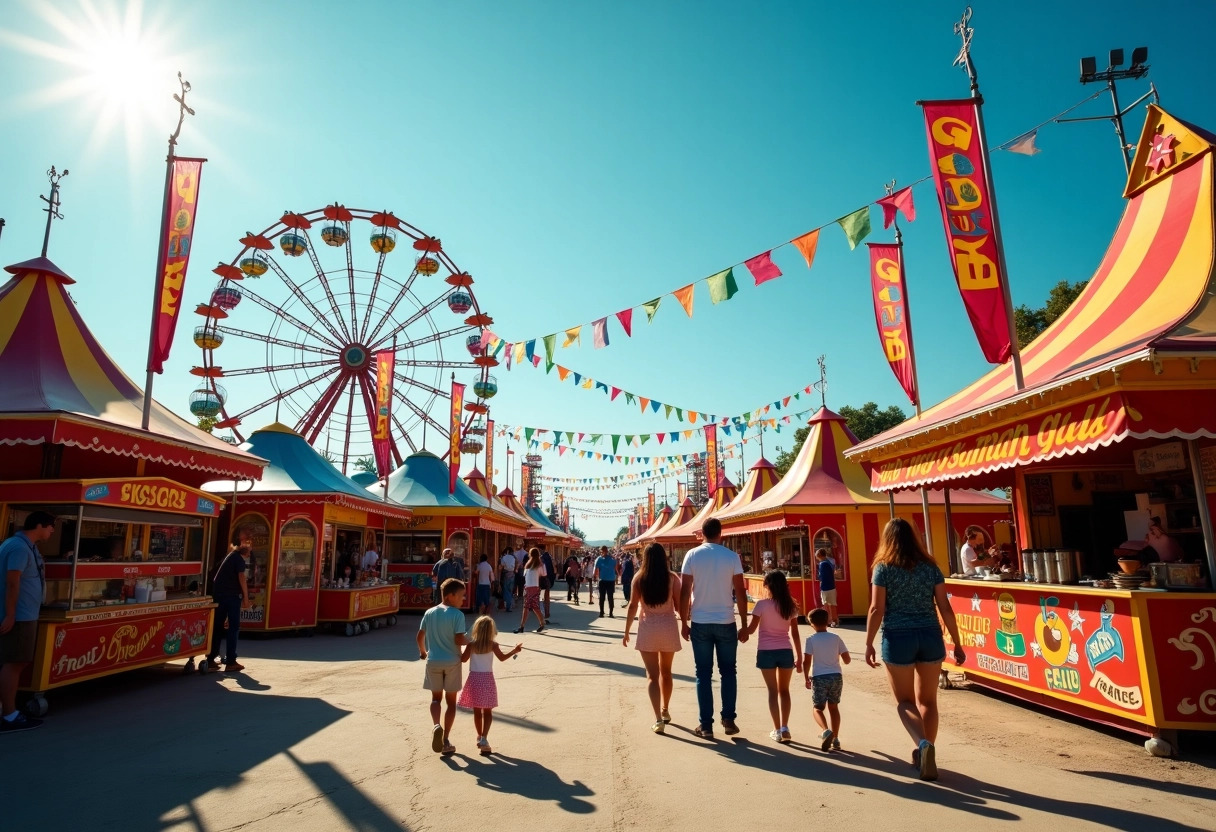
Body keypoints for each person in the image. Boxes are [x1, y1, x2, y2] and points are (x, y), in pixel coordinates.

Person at [864, 517, 967, 781]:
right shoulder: (930, 566)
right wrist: (957, 641)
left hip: (898, 638)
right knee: (929, 701)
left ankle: (922, 746)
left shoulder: (883, 568)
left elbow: (877, 608)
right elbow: (945, 606)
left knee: (905, 702)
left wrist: (868, 643)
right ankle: (927, 749)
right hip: (930, 636)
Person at [680, 517, 748, 739]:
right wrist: (745, 624)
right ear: (721, 533)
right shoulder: (731, 557)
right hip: (726, 621)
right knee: (729, 671)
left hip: (700, 621)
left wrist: (684, 621)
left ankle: (706, 725)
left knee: (703, 673)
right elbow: (740, 590)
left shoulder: (692, 555)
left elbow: (684, 591)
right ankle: (728, 719)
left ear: (702, 534)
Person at [1, 511, 55, 733]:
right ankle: (10, 714)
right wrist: (11, 614)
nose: (52, 531)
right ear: (39, 525)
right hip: (19, 615)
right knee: (14, 662)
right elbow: (12, 582)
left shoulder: (26, 546)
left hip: (25, 613)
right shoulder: (19, 547)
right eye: (50, 526)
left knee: (16, 661)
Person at [622, 542, 683, 734]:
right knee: (667, 672)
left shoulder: (639, 579)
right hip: (668, 627)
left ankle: (658, 719)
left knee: (652, 676)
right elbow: (680, 605)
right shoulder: (672, 578)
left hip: (647, 628)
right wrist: (687, 624)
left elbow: (633, 606)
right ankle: (665, 710)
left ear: (645, 558)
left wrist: (626, 631)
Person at [743, 569, 802, 743]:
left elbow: (751, 630)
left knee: (772, 691)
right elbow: (796, 634)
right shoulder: (790, 606)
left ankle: (776, 729)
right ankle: (785, 727)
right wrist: (799, 656)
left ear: (768, 586)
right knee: (785, 691)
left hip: (766, 652)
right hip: (785, 651)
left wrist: (740, 633)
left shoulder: (761, 605)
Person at [459, 615, 523, 755]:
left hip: (474, 678)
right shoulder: (493, 645)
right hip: (487, 678)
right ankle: (484, 738)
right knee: (487, 711)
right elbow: (502, 658)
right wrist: (514, 650)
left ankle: (479, 735)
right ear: (491, 631)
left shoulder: (472, 644)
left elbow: (463, 660)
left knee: (477, 711)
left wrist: (457, 649)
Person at [418, 578, 468, 756]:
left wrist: (423, 652)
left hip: (433, 661)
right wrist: (474, 641)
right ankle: (446, 739)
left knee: (435, 699)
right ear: (450, 596)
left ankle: (436, 725)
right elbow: (459, 640)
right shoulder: (457, 615)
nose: (463, 599)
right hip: (452, 662)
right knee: (451, 703)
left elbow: (420, 636)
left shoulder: (430, 612)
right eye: (461, 596)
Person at [804, 607, 850, 751]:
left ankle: (825, 730)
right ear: (828, 620)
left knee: (818, 708)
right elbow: (847, 659)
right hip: (836, 676)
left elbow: (806, 661)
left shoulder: (810, 640)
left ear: (811, 623)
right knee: (834, 707)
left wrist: (806, 677)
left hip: (819, 677)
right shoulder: (836, 638)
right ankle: (836, 739)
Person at [206, 542, 253, 673]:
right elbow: (241, 577)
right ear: (246, 552)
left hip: (219, 595)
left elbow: (216, 578)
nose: (250, 555)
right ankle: (231, 660)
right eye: (249, 552)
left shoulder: (230, 556)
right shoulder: (239, 560)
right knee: (234, 627)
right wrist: (246, 598)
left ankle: (210, 659)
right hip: (232, 596)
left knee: (217, 626)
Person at [513, 548, 546, 634]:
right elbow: (544, 574)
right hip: (534, 587)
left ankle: (522, 626)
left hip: (528, 587)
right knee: (533, 607)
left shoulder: (528, 565)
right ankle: (541, 623)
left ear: (530, 554)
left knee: (527, 607)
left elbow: (525, 575)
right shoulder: (540, 564)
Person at [815, 548, 839, 627]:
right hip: (832, 586)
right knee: (833, 605)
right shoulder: (829, 562)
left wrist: (821, 584)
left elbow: (822, 577)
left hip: (825, 587)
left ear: (819, 555)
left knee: (826, 605)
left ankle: (828, 621)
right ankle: (835, 621)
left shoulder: (822, 564)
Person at [595, 546, 620, 618]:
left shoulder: (602, 559)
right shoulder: (610, 559)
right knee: (606, 597)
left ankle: (606, 613)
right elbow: (615, 569)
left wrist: (595, 577)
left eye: (602, 551)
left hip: (606, 580)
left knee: (606, 597)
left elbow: (597, 570)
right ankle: (606, 612)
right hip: (607, 580)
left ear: (604, 551)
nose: (602, 553)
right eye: (601, 552)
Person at [539, 547, 555, 621]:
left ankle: (543, 614)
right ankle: (547, 612)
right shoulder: (550, 557)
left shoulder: (542, 559)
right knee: (547, 597)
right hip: (548, 580)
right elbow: (553, 569)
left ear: (541, 549)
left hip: (543, 580)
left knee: (542, 598)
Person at [499, 547, 516, 613]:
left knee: (506, 590)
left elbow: (502, 565)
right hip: (512, 574)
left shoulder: (504, 557)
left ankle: (507, 605)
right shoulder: (513, 558)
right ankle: (509, 605)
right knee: (510, 590)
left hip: (506, 574)